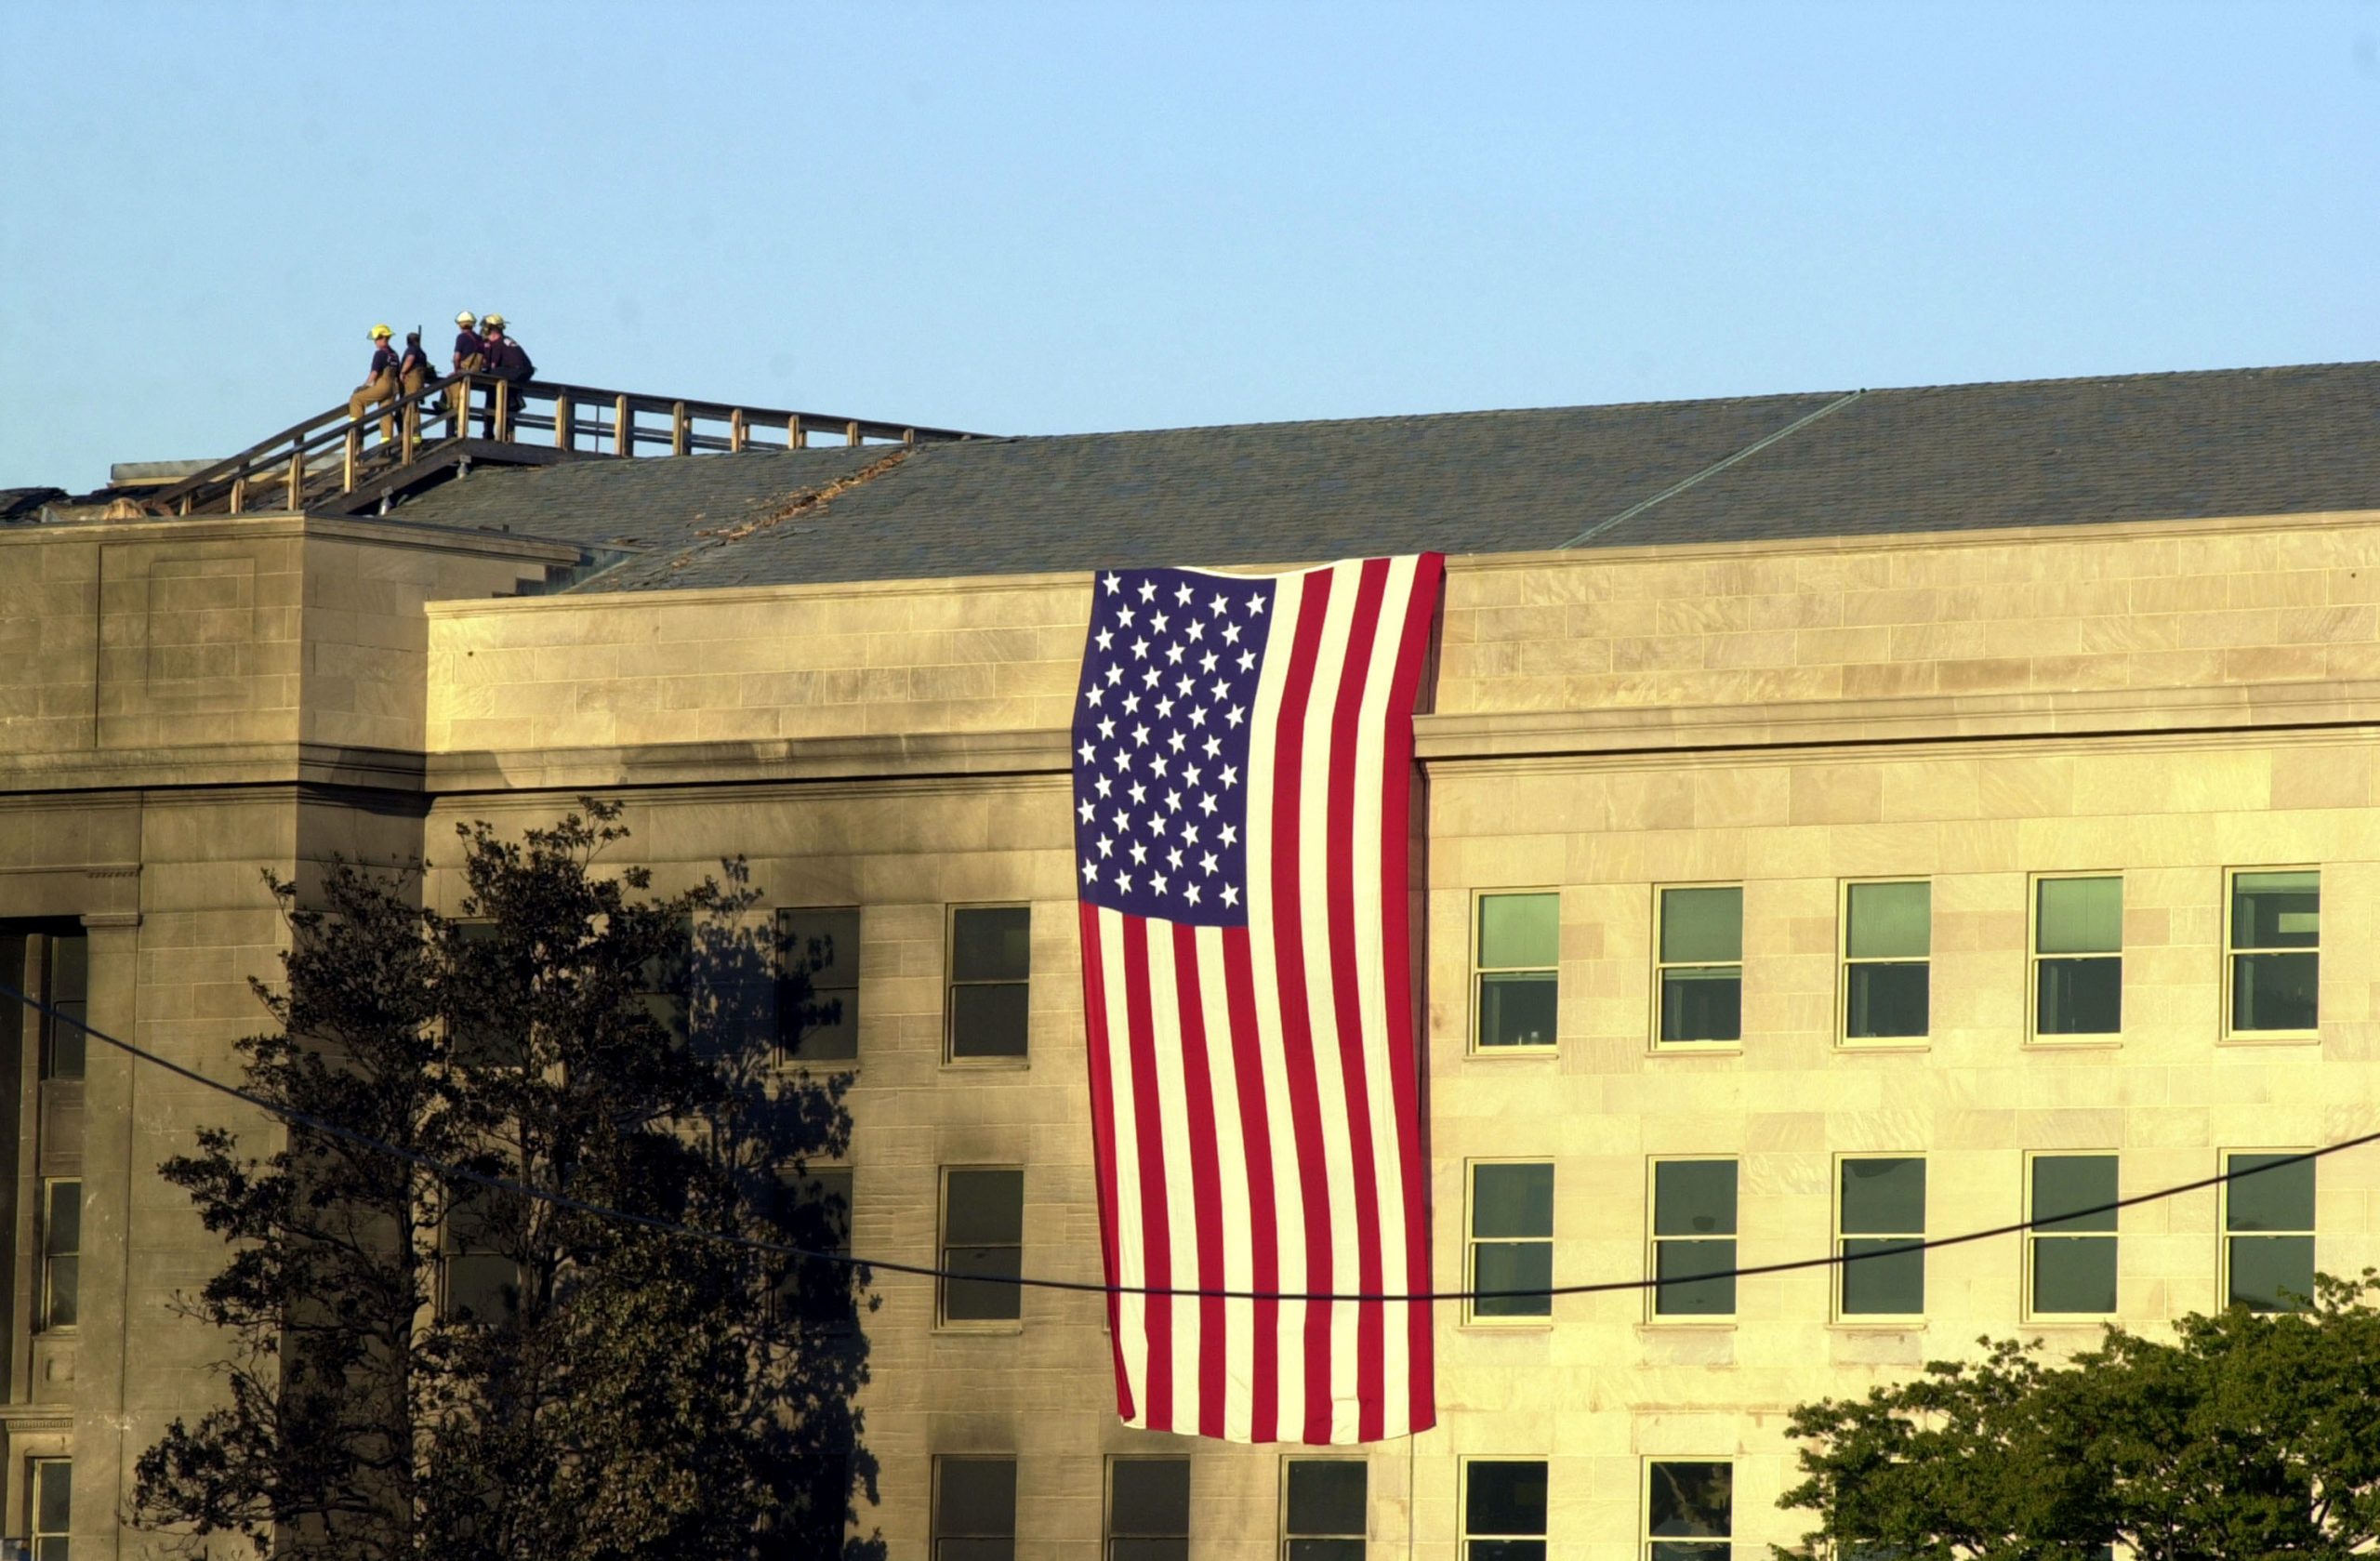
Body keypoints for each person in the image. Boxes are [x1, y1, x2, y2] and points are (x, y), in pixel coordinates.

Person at [480, 314, 536, 436]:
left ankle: (489, 432)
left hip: (513, 372)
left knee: (490, 384)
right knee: (503, 400)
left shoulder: (496, 344)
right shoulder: (507, 340)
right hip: (520, 372)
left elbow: (491, 366)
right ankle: (503, 430)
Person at [348, 324, 401, 442]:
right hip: (393, 387)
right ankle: (386, 444)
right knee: (386, 413)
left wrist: (365, 386)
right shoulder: (394, 355)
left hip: (383, 385)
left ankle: (355, 429)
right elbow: (399, 373)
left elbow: (374, 373)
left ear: (382, 338)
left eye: (376, 339)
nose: (375, 342)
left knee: (356, 399)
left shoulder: (380, 354)